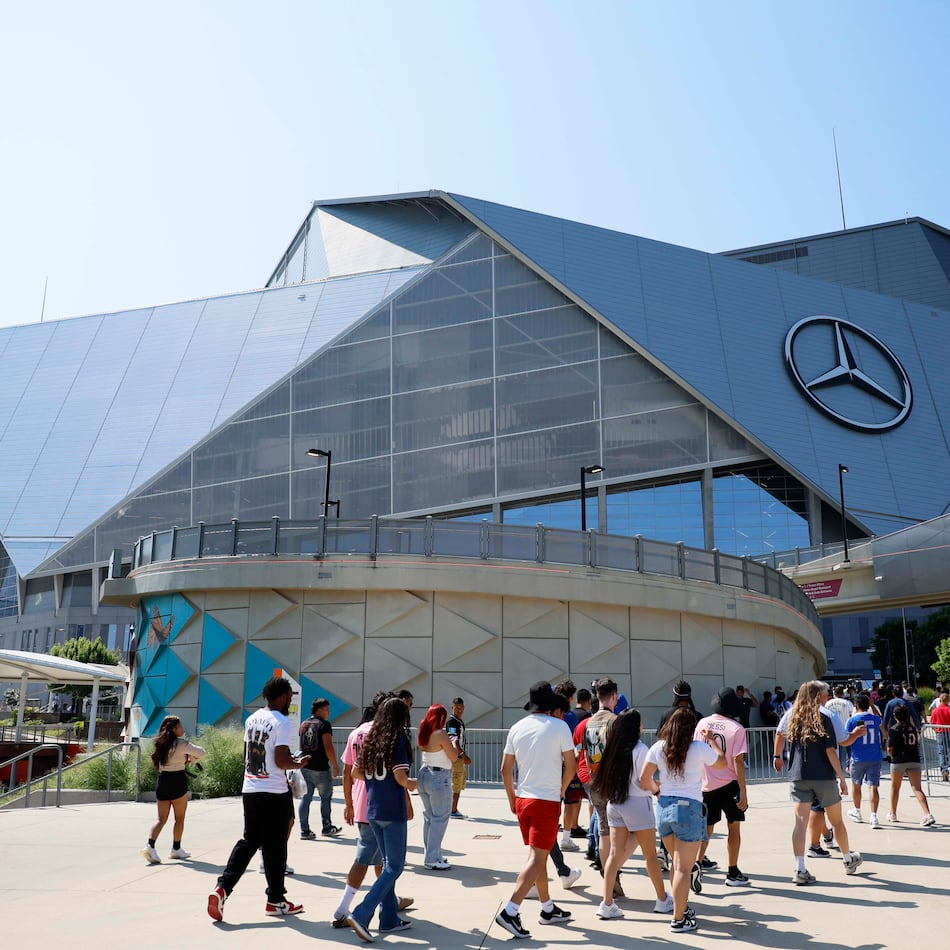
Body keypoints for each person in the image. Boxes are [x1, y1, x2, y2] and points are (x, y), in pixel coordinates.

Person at [208, 676, 309, 921]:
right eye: (289, 697)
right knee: (276, 846)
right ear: (284, 695)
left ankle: (223, 887)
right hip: (275, 792)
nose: (290, 702)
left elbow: (247, 754)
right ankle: (276, 899)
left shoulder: (252, 719)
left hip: (251, 788)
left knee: (250, 840)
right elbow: (281, 759)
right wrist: (299, 762)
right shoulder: (282, 722)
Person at [496, 681, 576, 939]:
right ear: (550, 704)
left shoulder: (517, 727)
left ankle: (547, 908)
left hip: (523, 799)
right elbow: (571, 766)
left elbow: (505, 769)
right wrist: (562, 789)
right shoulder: (560, 726)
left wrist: (511, 798)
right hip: (545, 801)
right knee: (537, 858)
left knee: (537, 854)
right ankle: (510, 910)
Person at [332, 692, 414, 929]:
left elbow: (355, 773)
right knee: (393, 867)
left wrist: (372, 783)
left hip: (370, 808)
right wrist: (415, 784)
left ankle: (388, 918)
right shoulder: (396, 739)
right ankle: (360, 912)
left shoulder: (369, 739)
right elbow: (400, 777)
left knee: (384, 864)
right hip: (391, 809)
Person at [772, 680, 865, 886]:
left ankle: (800, 867)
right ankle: (848, 858)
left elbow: (779, 734)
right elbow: (831, 751)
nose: (826, 696)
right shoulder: (824, 718)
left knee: (800, 823)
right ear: (818, 696)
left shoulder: (792, 716)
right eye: (824, 694)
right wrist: (842, 778)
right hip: (823, 776)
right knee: (837, 821)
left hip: (798, 775)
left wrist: (776, 755)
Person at [640, 706, 723, 935]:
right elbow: (723, 763)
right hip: (689, 809)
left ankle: (682, 909)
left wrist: (658, 793)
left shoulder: (658, 748)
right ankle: (678, 919)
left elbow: (644, 778)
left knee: (677, 866)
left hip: (664, 808)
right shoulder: (698, 748)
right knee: (683, 869)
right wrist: (712, 741)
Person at [592, 709, 673, 920]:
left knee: (614, 855)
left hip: (615, 803)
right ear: (637, 727)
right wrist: (658, 790)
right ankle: (662, 899)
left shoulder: (612, 748)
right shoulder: (641, 749)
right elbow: (645, 781)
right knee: (650, 856)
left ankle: (607, 902)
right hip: (638, 803)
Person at [695, 688, 751, 886]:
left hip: (706, 784)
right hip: (729, 784)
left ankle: (697, 864)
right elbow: (738, 760)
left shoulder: (702, 723)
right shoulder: (737, 728)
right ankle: (733, 871)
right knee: (733, 828)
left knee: (706, 829)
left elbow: (696, 750)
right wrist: (743, 790)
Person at [142, 715, 205, 864]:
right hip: (177, 781)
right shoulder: (182, 744)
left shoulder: (160, 744)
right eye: (180, 726)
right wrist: (192, 759)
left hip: (163, 781)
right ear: (175, 729)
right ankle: (176, 849)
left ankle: (150, 845)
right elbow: (201, 752)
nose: (182, 728)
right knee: (179, 818)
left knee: (161, 819)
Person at [579, 677, 620, 892]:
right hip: (613, 784)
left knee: (603, 829)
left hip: (594, 781)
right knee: (623, 832)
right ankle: (613, 875)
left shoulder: (589, 723)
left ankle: (608, 878)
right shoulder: (616, 721)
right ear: (614, 696)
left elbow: (586, 755)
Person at [416, 703, 460, 870]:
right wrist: (453, 742)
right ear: (441, 717)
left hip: (424, 773)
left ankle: (432, 854)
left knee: (429, 818)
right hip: (439, 777)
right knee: (440, 818)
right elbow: (454, 757)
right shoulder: (440, 733)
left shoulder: (423, 730)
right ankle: (432, 858)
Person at [298, 697, 342, 839]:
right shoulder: (324, 725)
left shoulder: (304, 724)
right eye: (327, 709)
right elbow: (328, 747)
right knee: (325, 798)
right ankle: (326, 826)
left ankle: (304, 830)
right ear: (320, 710)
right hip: (320, 768)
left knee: (306, 798)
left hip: (305, 766)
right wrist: (335, 765)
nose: (329, 712)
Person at [886, 703, 936, 826]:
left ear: (895, 716)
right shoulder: (912, 728)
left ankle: (893, 813)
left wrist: (892, 756)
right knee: (917, 788)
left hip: (898, 760)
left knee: (895, 787)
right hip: (914, 758)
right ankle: (927, 814)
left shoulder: (894, 729)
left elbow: (889, 748)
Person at [845, 694, 885, 828]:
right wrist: (872, 705)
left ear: (856, 706)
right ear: (868, 706)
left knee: (856, 785)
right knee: (873, 786)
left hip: (858, 756)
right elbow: (880, 723)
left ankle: (857, 810)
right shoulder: (875, 719)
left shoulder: (852, 721)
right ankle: (874, 816)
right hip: (874, 756)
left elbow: (846, 737)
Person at [446, 697, 471, 818]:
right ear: (452, 708)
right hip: (456, 757)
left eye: (461, 708)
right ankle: (452, 810)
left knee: (459, 782)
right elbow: (453, 741)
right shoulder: (452, 722)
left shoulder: (458, 721)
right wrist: (463, 755)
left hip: (458, 757)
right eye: (457, 708)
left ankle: (453, 809)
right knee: (456, 783)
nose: (459, 710)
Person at [825, 686, 855, 772]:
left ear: (834, 693)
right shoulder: (848, 703)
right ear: (843, 693)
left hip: (833, 730)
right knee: (849, 750)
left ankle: (838, 768)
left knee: (837, 751)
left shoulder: (828, 703)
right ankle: (850, 767)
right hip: (846, 729)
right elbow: (852, 716)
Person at [928, 691, 950, 781]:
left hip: (940, 732)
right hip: (949, 731)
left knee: (942, 752)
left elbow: (932, 723)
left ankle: (944, 769)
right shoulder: (949, 710)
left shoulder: (936, 710)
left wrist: (936, 731)